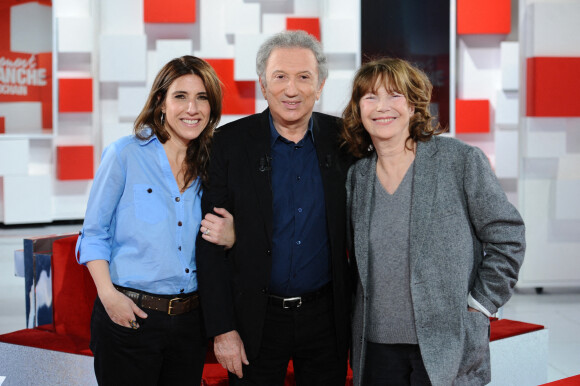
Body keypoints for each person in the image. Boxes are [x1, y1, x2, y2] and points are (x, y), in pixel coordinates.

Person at [341, 58, 526, 386]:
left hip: (446, 342)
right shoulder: (358, 176)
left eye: (394, 95)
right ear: (359, 109)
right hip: (376, 347)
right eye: (370, 97)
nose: (382, 107)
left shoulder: (459, 161)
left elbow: (507, 234)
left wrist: (482, 302)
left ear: (413, 105)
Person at [196, 30, 353, 385]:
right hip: (255, 319)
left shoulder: (346, 140)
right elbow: (209, 245)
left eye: (304, 77)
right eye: (280, 77)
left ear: (321, 84)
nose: (292, 89)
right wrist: (222, 330)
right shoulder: (227, 145)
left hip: (326, 320)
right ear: (263, 85)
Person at [76, 55, 235, 385]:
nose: (192, 108)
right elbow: (93, 233)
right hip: (130, 316)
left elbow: (224, 231)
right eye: (181, 96)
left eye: (202, 97)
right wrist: (109, 298)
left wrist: (232, 236)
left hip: (190, 324)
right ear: (161, 102)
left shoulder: (212, 164)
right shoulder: (124, 154)